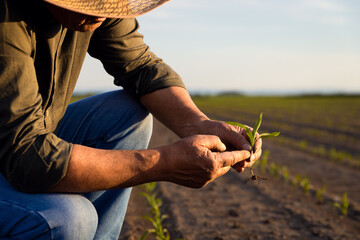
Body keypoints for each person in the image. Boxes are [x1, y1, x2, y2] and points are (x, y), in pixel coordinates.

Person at [0, 0, 262, 238]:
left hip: (25, 139)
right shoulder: (7, 18)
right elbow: (26, 154)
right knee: (69, 217)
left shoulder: (98, 8)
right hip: (16, 148)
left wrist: (201, 124)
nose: (101, 11)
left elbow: (141, 67)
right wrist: (164, 164)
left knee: (126, 113)